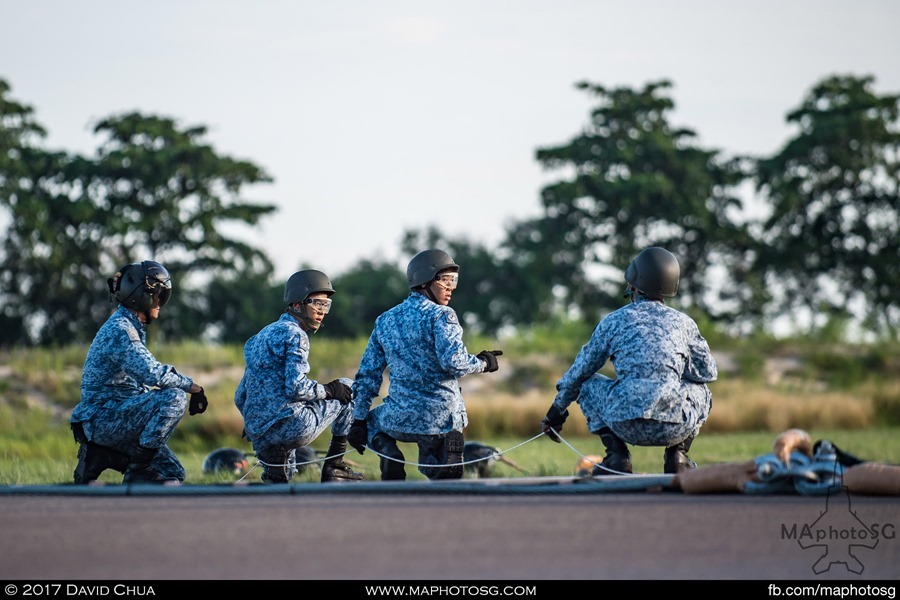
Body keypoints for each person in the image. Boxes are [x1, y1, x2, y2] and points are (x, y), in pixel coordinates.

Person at [539, 246, 718, 475]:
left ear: (634, 284)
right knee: (700, 389)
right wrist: (672, 370)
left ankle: (616, 457)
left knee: (587, 382)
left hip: (623, 423)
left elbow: (579, 372)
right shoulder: (685, 324)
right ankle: (678, 456)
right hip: (674, 426)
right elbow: (708, 373)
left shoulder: (613, 322)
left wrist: (556, 412)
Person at [347, 249, 503, 481]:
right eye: (446, 280)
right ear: (425, 281)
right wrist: (483, 362)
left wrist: (358, 420)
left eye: (454, 280)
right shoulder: (443, 315)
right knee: (437, 467)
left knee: (369, 422)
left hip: (399, 416)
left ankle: (390, 454)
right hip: (442, 418)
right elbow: (455, 363)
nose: (452, 287)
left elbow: (368, 375)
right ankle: (441, 461)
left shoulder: (385, 320)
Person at [70, 260, 208, 484]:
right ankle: (137, 470)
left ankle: (104, 455)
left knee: (173, 475)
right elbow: (153, 374)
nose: (160, 303)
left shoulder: (130, 327)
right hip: (104, 419)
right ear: (140, 296)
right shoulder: (120, 330)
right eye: (158, 296)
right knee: (175, 397)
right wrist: (194, 388)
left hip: (118, 417)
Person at [234, 269, 364, 483]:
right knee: (350, 387)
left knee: (281, 483)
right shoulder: (297, 335)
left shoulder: (259, 337)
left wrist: (256, 422)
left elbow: (241, 395)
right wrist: (331, 390)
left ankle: (275, 468)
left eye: (326, 305)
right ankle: (335, 466)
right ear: (297, 304)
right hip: (291, 427)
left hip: (258, 433)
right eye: (317, 304)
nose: (323, 311)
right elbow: (297, 388)